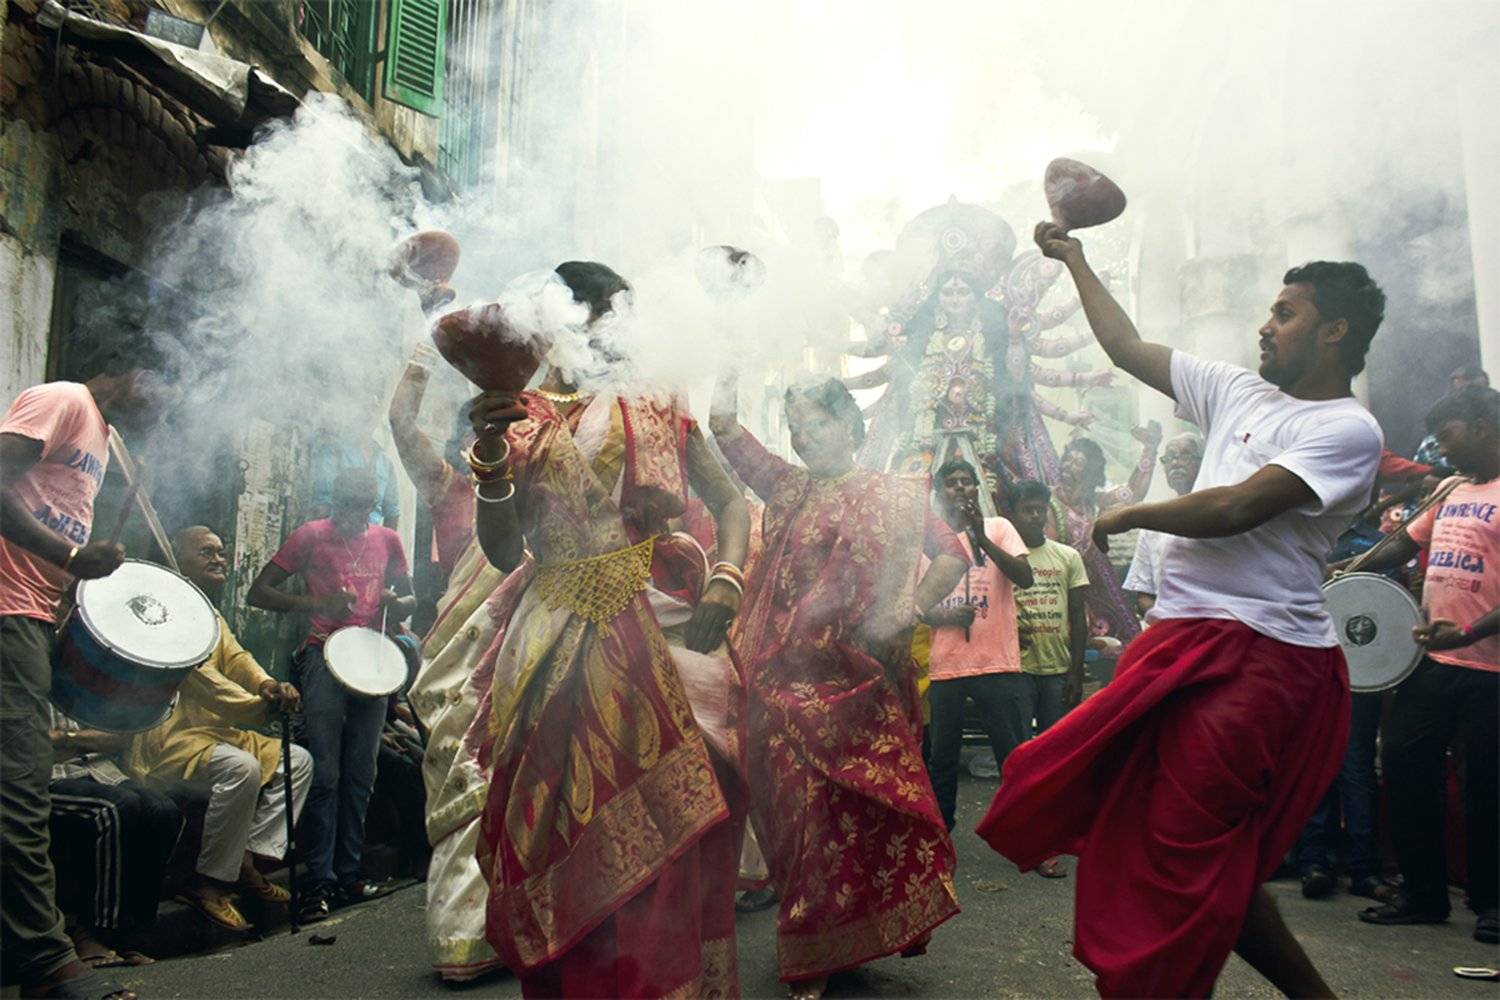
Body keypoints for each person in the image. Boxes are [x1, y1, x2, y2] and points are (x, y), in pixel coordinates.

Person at [978, 223, 1386, 998]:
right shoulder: (1234, 389)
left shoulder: (1346, 429)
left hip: (1260, 656)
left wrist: (1131, 514)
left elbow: (1238, 507)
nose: (1265, 324)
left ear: (1334, 331)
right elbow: (1126, 348)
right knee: (1185, 846)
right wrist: (1075, 260)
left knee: (1182, 847)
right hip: (1181, 641)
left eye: (1286, 313)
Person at [465, 261, 752, 998]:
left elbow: (730, 502)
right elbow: (503, 551)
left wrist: (726, 578)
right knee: (550, 819)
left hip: (655, 623)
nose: (610, 329)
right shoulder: (517, 412)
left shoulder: (657, 401)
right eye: (595, 312)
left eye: (616, 312)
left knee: (670, 823)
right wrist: (491, 458)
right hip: (550, 633)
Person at [712, 374, 968, 1000]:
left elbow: (952, 554)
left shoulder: (895, 494)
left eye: (816, 423)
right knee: (799, 816)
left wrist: (909, 607)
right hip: (782, 686)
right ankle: (813, 942)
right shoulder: (788, 485)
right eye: (795, 427)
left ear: (850, 426)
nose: (804, 437)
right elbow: (725, 430)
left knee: (851, 816)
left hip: (859, 684)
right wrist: (725, 358)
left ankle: (835, 942)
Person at [1, 367, 164, 1000]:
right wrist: (71, 557)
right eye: (167, 384)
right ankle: (47, 965)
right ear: (134, 373)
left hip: (32, 616)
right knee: (20, 793)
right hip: (7, 611)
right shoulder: (66, 400)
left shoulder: (103, 439)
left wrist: (70, 588)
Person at [1347, 385, 1498, 944]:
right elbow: (1403, 545)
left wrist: (1469, 632)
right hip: (1433, 658)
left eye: (1449, 435)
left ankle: (1493, 902)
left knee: (1489, 786)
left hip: (1491, 670)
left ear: (1482, 427)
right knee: (1406, 766)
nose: (1441, 448)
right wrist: (1349, 569)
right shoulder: (1452, 488)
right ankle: (1424, 892)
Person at [387, 348, 510, 981]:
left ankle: (514, 926)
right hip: (460, 658)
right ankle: (461, 937)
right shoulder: (448, 487)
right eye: (479, 431)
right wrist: (422, 352)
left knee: (516, 787)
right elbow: (400, 423)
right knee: (467, 781)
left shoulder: (531, 494)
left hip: (517, 650)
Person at [247, 468, 415, 922]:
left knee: (362, 773)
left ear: (373, 505)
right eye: (348, 505)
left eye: (364, 507)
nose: (355, 515)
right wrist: (317, 605)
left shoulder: (387, 540)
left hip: (372, 660)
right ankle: (318, 882)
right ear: (334, 500)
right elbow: (259, 592)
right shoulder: (310, 535)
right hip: (323, 654)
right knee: (325, 775)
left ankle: (348, 876)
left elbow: (409, 599)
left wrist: (396, 603)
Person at [129, 526, 311, 933]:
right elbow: (200, 679)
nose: (218, 559)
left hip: (215, 732)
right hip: (170, 735)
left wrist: (267, 684)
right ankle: (207, 883)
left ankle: (246, 860)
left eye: (221, 552)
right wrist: (258, 707)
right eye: (206, 552)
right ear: (177, 560)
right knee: (242, 768)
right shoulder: (160, 611)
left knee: (297, 761)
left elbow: (236, 658)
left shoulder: (207, 612)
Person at [921, 458, 1033, 833]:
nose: (960, 488)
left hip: (997, 663)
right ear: (940, 492)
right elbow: (917, 608)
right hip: (947, 667)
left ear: (977, 488)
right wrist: (946, 616)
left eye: (966, 481)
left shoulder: (1000, 527)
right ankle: (941, 835)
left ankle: (1024, 833)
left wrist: (980, 538)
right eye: (951, 482)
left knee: (1012, 757)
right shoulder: (929, 542)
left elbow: (1025, 577)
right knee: (942, 760)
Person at [48, 711, 186, 971]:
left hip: (103, 772)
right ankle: (95, 933)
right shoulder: (18, 689)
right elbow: (31, 745)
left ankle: (134, 934)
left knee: (164, 811)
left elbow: (118, 738)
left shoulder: (81, 688)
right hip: (46, 779)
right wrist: (85, 740)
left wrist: (64, 738)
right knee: (115, 808)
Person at [1047, 427, 1160, 641]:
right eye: (1068, 459)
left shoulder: (1095, 502)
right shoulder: (1047, 500)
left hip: (1098, 589)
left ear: (1090, 474)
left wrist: (1150, 449)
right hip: (1060, 590)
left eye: (1078, 463)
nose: (1069, 466)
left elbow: (1133, 492)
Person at [1122, 433, 1203, 617]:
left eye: (1185, 456)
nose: (1175, 463)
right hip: (1167, 624)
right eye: (1170, 457)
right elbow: (1143, 595)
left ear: (1203, 461)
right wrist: (1167, 623)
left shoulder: (1221, 514)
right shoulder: (1152, 525)